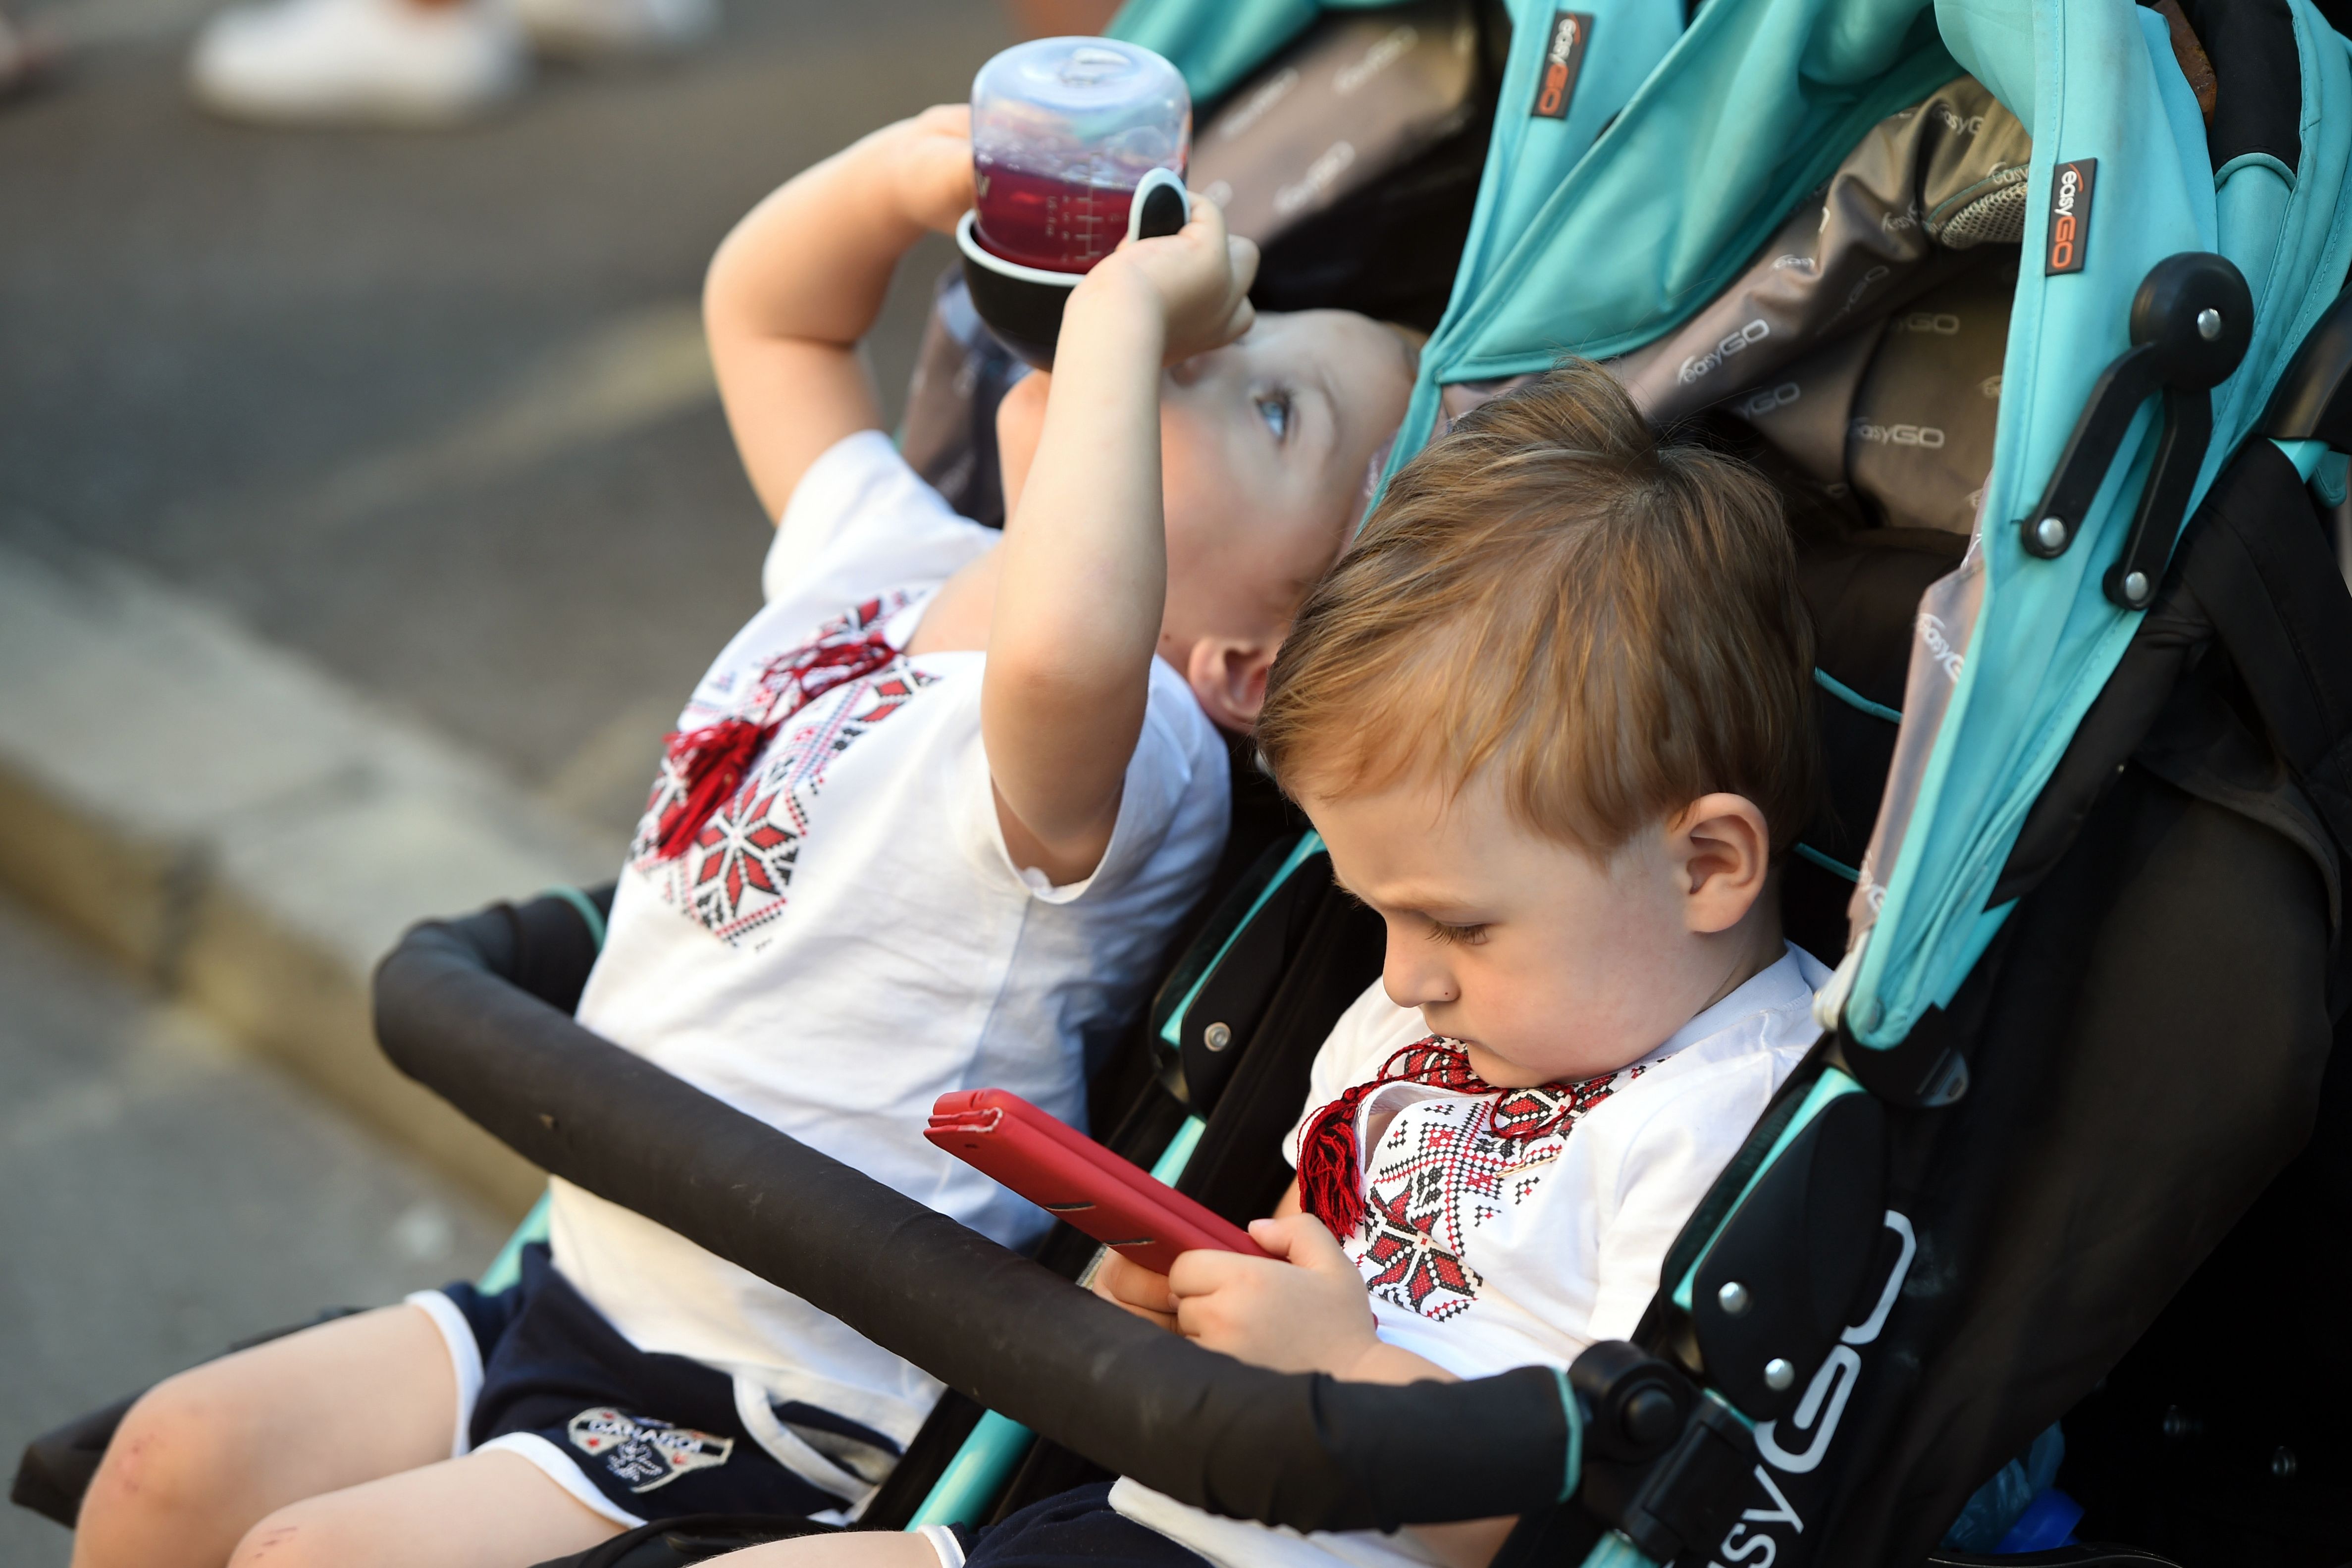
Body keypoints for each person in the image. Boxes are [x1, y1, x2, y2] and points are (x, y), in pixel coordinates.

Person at [71, 105, 1418, 1568]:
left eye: (1275, 410)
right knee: (163, 1467)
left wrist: (1120, 325)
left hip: (759, 1387)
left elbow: (1065, 648)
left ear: (1244, 666)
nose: (1207, 349)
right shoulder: (904, 555)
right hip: (580, 1263)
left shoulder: (1141, 741)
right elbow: (769, 322)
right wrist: (911, 173)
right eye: (1238, 331)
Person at [695, 360, 1833, 1568]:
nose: (1403, 977)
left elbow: (1622, 1519)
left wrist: (1335, 1376)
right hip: (1143, 1522)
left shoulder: (1736, 1117)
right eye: (1377, 913)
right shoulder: (1416, 1028)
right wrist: (1206, 1313)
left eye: (1460, 925)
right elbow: (1309, 1253)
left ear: (1706, 864)